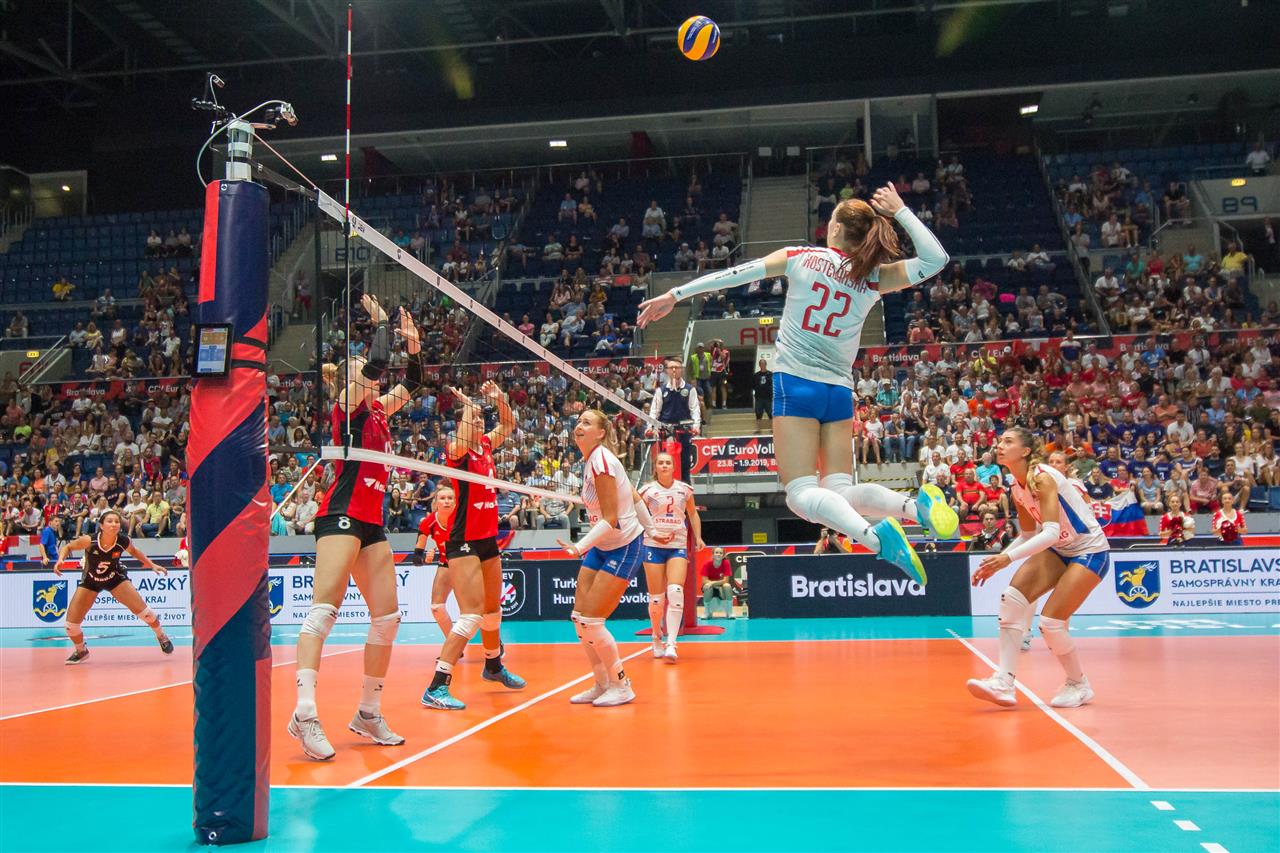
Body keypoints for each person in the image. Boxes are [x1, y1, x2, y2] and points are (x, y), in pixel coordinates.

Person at [639, 184, 956, 584]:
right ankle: (914, 508)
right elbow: (936, 259)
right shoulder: (873, 277)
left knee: (800, 495)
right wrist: (902, 210)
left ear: (835, 229)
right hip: (838, 392)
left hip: (796, 385)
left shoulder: (801, 257)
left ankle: (876, 538)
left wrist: (675, 294)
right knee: (839, 490)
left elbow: (734, 275)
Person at [289, 296, 421, 760]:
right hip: (341, 514)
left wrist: (414, 345)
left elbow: (415, 381)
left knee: (387, 619)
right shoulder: (347, 406)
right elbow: (379, 362)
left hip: (371, 521)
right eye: (363, 371)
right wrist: (383, 323)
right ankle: (305, 713)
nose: (373, 375)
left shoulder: (380, 409)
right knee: (324, 611)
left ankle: (368, 712)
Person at [968, 427, 1111, 709]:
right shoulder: (1016, 486)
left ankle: (1078, 684)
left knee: (1050, 623)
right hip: (1059, 549)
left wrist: (1006, 559)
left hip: (1089, 550)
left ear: (1025, 451)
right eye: (1000, 441)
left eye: (1008, 442)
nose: (1000, 445)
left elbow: (1051, 533)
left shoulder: (1043, 478)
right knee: (1012, 599)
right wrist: (999, 560)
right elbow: (1028, 535)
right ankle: (1004, 682)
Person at [421, 381, 526, 711]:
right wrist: (470, 406)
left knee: (493, 612)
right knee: (471, 615)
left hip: (486, 539)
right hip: (462, 541)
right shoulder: (457, 451)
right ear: (463, 422)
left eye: (481, 418)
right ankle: (437, 686)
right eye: (473, 418)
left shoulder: (485, 446)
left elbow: (508, 423)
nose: (479, 421)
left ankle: (493, 666)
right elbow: (464, 435)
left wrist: (500, 398)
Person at [557, 409, 648, 707]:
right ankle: (601, 684)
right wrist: (653, 528)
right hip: (603, 545)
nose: (579, 426)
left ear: (601, 432)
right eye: (578, 421)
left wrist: (578, 547)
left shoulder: (602, 461)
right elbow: (634, 495)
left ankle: (622, 685)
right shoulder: (592, 461)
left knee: (592, 621)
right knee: (578, 618)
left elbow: (610, 518)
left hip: (624, 545)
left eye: (587, 422)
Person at [47, 510, 173, 664]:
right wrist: (60, 560)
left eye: (117, 522)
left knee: (146, 614)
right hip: (91, 581)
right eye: (110, 521)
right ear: (101, 525)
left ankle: (161, 635)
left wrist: (152, 565)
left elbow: (134, 552)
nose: (114, 524)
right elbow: (68, 547)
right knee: (70, 626)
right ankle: (81, 651)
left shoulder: (122, 541)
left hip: (115, 579)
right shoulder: (89, 540)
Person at [638, 452, 703, 662]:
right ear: (655, 467)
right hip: (653, 544)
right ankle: (656, 635)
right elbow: (637, 514)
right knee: (657, 599)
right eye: (661, 463)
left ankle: (672, 643)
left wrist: (698, 537)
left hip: (677, 545)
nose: (664, 465)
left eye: (668, 462)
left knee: (675, 591)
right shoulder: (647, 491)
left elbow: (692, 513)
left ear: (674, 467)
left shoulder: (684, 489)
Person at [412, 485, 463, 649]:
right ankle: (454, 647)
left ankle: (494, 643)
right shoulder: (429, 522)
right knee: (437, 608)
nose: (446, 501)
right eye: (442, 498)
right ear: (435, 503)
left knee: (473, 611)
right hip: (446, 564)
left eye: (450, 498)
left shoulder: (463, 518)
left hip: (466, 565)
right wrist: (422, 557)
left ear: (455, 502)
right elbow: (418, 552)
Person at [648, 359, 701, 480]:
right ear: (666, 371)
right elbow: (654, 411)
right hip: (666, 432)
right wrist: (651, 427)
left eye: (676, 367)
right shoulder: (661, 390)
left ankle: (685, 487)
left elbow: (695, 410)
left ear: (681, 370)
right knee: (666, 463)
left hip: (684, 431)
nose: (673, 370)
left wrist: (696, 426)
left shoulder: (689, 389)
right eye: (671, 367)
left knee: (685, 464)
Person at [752, 358, 772, 433]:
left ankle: (773, 429)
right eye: (761, 364)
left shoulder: (770, 374)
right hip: (759, 397)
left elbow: (773, 385)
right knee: (758, 413)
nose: (762, 365)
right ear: (759, 365)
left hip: (768, 397)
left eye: (763, 363)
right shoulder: (756, 375)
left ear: (766, 364)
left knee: (770, 413)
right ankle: (758, 429)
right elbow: (753, 385)